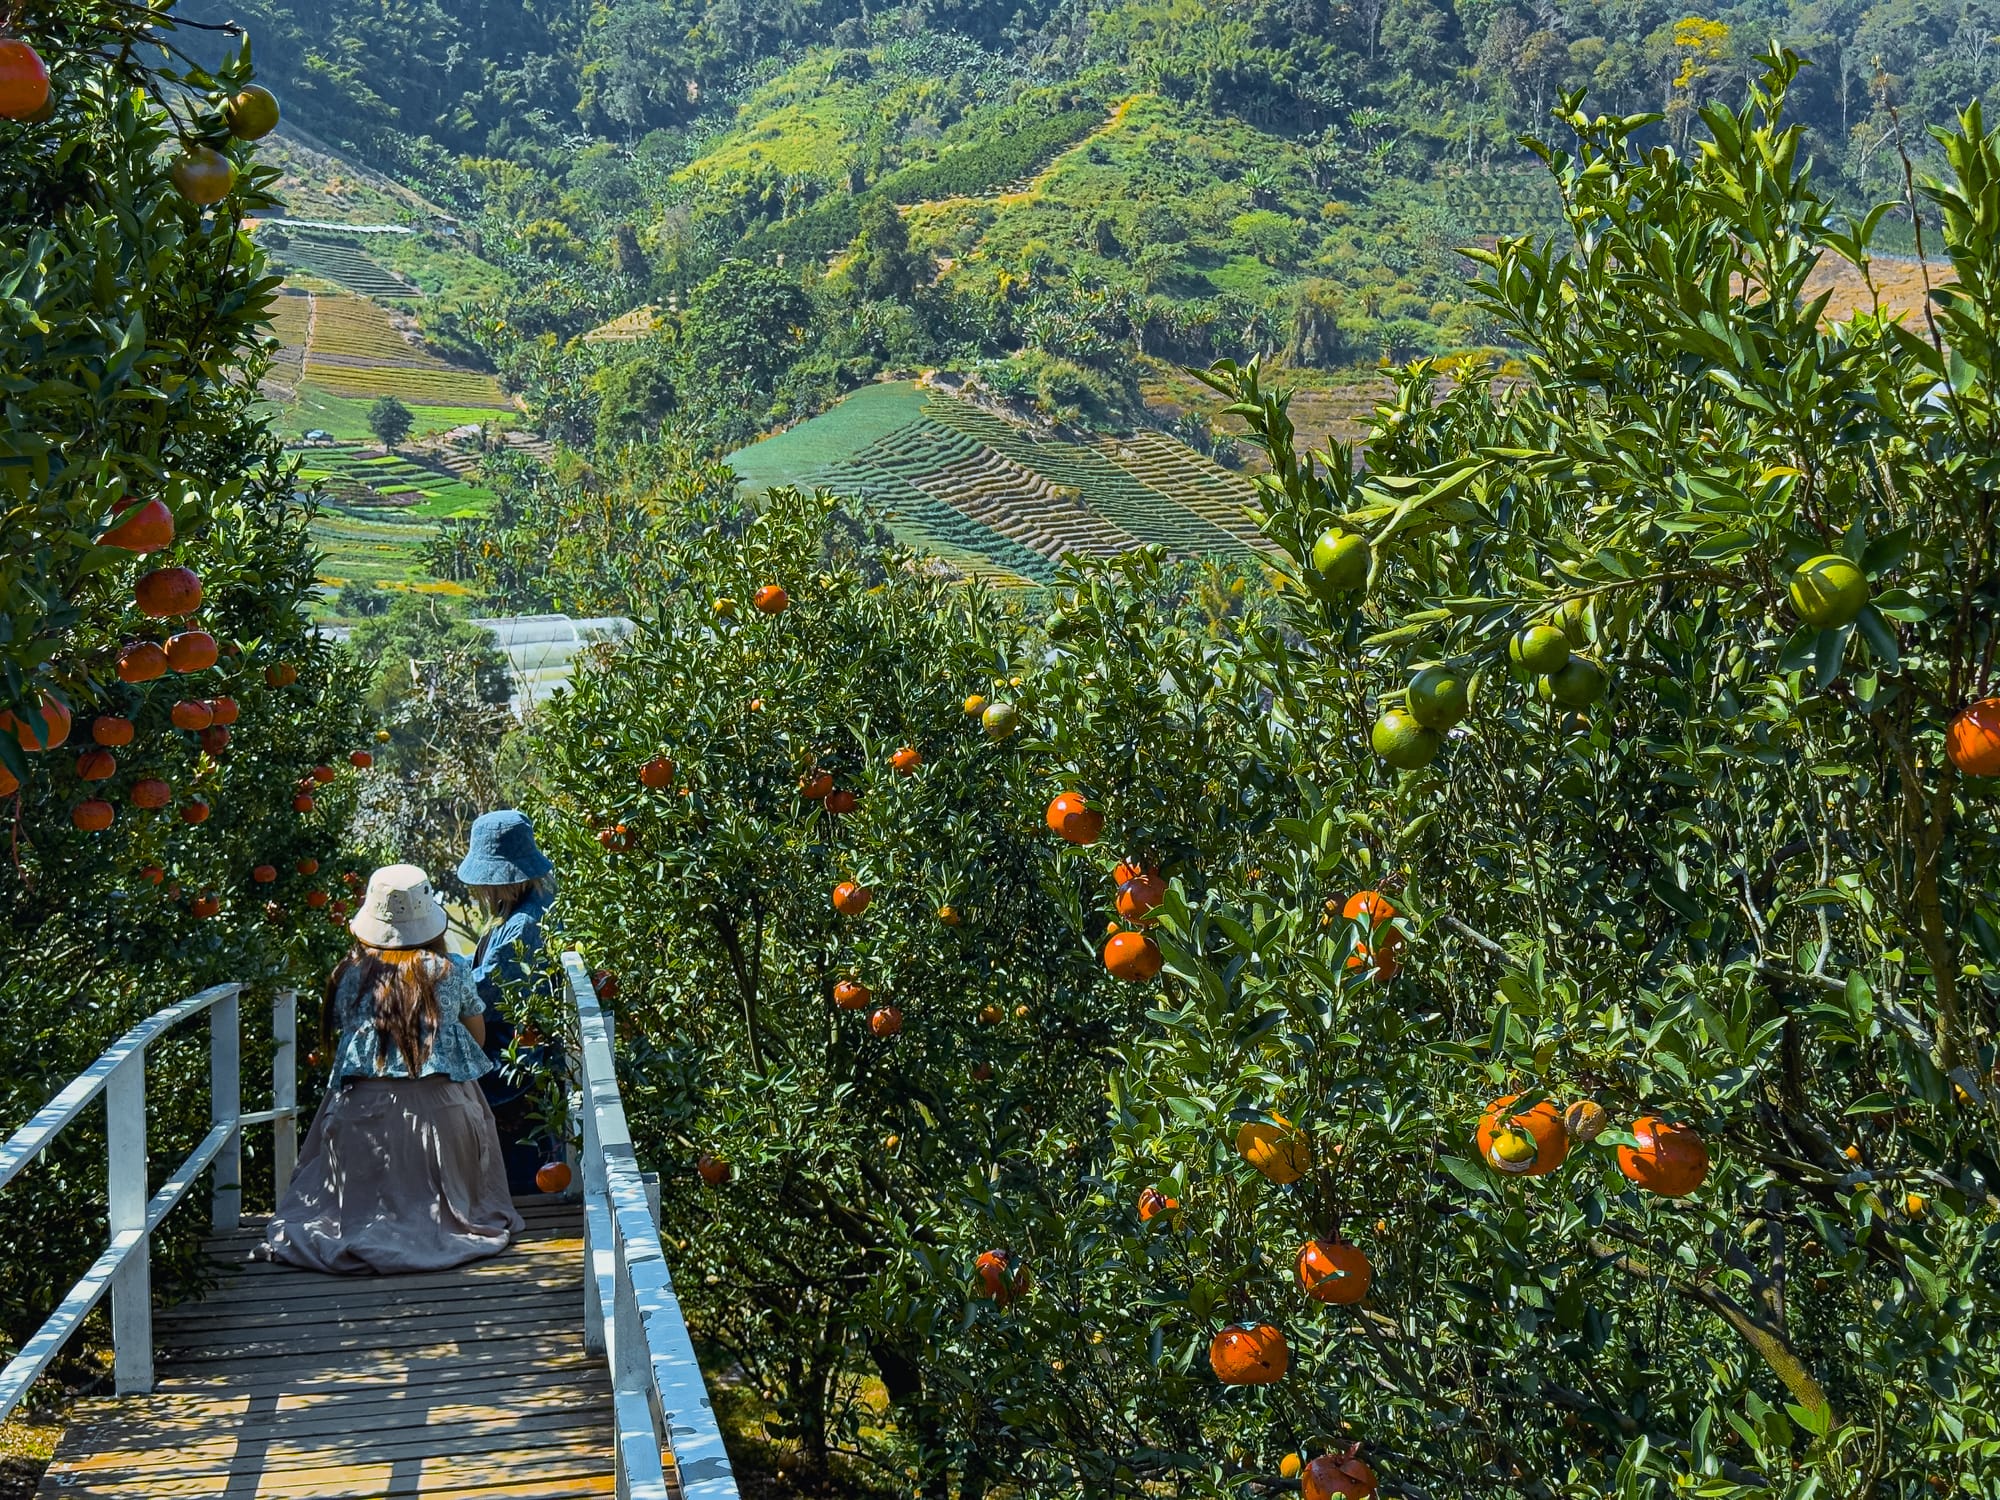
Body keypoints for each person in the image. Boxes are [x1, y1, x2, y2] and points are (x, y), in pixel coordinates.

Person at [264, 865, 523, 1273]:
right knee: (463, 1097)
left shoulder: (348, 976)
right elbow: (477, 1038)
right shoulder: (450, 971)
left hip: (361, 1121)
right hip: (442, 1121)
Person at [457, 809, 556, 1195]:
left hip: (514, 1069)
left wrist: (440, 981)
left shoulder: (522, 925)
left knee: (516, 1173)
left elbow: (489, 992)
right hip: (522, 1060)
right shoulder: (532, 906)